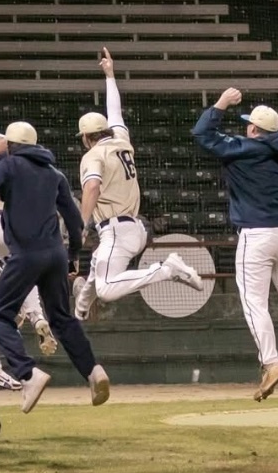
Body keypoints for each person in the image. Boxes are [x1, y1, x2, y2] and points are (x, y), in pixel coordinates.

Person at [0, 121, 114, 423]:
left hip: (25, 254)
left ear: (12, 145)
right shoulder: (54, 174)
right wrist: (72, 256)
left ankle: (27, 373)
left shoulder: (9, 166)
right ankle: (93, 371)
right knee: (62, 318)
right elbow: (74, 221)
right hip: (55, 254)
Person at [192, 87, 278, 402]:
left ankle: (271, 362)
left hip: (256, 236)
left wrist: (221, 104)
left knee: (254, 303)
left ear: (254, 129)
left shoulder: (242, 148)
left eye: (248, 125)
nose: (245, 128)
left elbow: (202, 134)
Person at [75, 48, 202, 321]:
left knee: (107, 289)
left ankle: (168, 269)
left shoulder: (93, 155)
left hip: (117, 230)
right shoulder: (122, 140)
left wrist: (82, 223)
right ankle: (81, 306)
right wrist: (110, 75)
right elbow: (115, 111)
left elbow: (92, 187)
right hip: (136, 227)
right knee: (98, 263)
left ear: (86, 137)